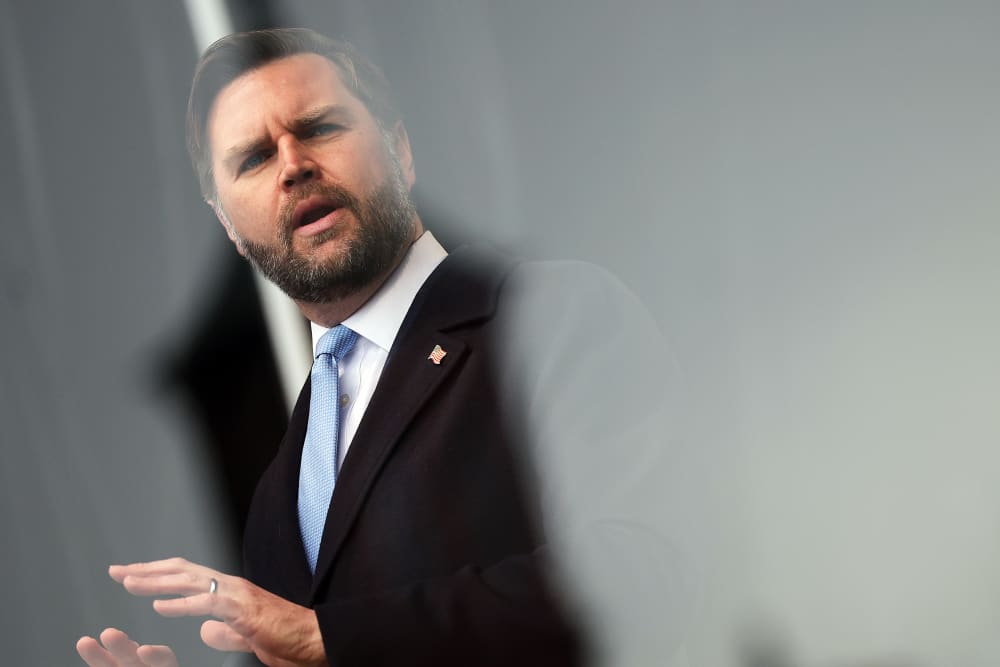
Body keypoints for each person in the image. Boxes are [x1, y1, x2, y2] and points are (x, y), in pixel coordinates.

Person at [77, 27, 687, 667]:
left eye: (319, 127)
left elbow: (642, 576)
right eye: (254, 158)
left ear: (400, 149)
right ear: (228, 223)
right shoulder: (277, 495)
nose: (293, 166)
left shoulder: (548, 316)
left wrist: (330, 637)